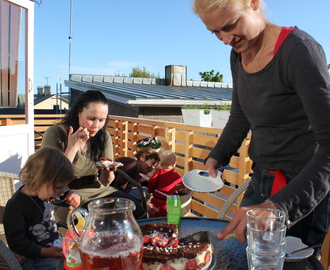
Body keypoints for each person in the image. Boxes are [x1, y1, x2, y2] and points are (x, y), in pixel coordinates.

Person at [193, 0, 330, 255]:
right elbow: (240, 115)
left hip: (301, 186)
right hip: (261, 179)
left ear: (253, 3)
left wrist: (278, 206)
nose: (225, 39)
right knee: (245, 257)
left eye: (230, 25)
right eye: (215, 32)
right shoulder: (237, 54)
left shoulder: (299, 50)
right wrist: (217, 155)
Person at [41, 90, 147, 221]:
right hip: (67, 193)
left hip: (98, 189)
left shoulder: (103, 136)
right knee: (98, 221)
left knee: (137, 212)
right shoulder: (56, 134)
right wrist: (72, 147)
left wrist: (108, 171)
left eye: (102, 120)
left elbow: (105, 182)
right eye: (91, 119)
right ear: (79, 112)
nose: (96, 126)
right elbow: (53, 178)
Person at [3, 147, 80, 270]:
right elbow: (17, 244)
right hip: (31, 258)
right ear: (40, 181)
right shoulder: (17, 207)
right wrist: (44, 252)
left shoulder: (45, 193)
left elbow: (65, 195)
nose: (62, 191)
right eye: (59, 187)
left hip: (52, 246)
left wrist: (74, 195)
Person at [148, 150, 184, 218]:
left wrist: (150, 190)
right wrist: (176, 188)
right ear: (174, 164)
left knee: (153, 221)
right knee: (173, 221)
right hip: (170, 202)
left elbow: (151, 181)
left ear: (161, 164)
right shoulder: (176, 176)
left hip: (156, 201)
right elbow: (185, 184)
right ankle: (173, 227)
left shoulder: (158, 172)